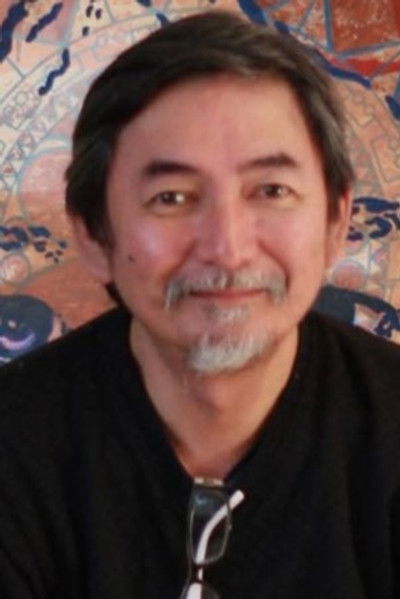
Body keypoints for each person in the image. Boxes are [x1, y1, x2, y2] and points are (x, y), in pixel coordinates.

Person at [1, 10, 400, 599]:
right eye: (172, 197)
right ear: (93, 236)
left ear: (336, 222)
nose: (228, 248)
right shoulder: (15, 445)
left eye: (271, 190)